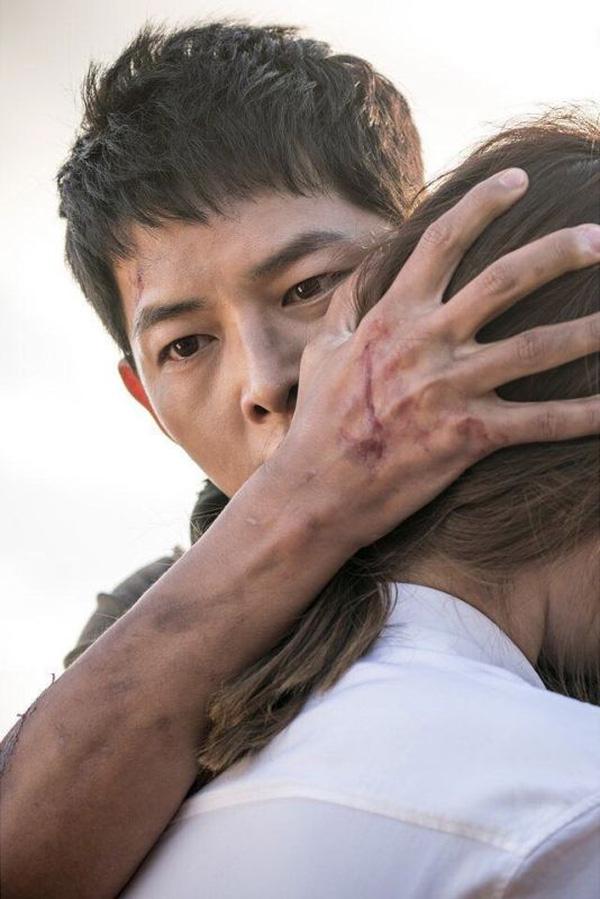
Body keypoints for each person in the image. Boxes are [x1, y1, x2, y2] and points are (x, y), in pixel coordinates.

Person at [1, 22, 598, 899]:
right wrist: (313, 489)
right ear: (146, 402)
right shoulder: (143, 639)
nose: (266, 378)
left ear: (425, 259)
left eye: (310, 286)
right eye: (186, 345)